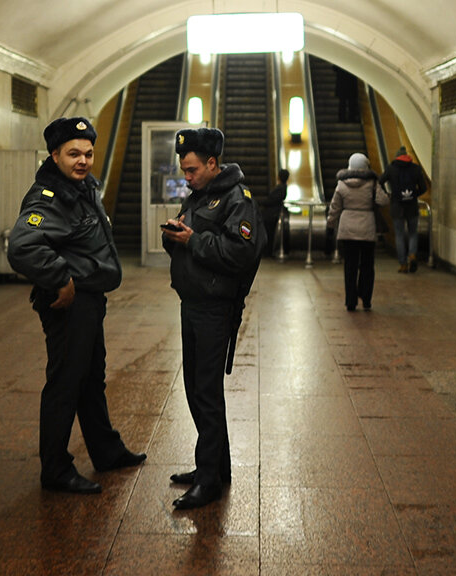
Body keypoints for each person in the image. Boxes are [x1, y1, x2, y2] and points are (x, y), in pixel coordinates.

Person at [7, 117, 146, 495]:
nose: (82, 160)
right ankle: (55, 468)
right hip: (69, 304)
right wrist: (61, 278)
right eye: (73, 154)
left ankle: (106, 450)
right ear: (54, 155)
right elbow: (22, 247)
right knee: (66, 383)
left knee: (90, 379)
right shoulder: (48, 197)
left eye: (87, 153)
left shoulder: (82, 188)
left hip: (88, 302)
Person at [161, 127, 265, 510]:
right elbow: (191, 235)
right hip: (192, 302)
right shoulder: (201, 195)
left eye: (191, 170)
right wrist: (175, 234)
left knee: (205, 392)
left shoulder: (238, 200)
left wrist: (193, 241)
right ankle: (215, 467)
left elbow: (241, 252)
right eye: (183, 171)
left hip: (214, 308)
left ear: (211, 163)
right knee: (195, 387)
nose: (186, 177)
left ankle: (208, 480)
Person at [326, 153, 388, 311]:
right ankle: (366, 298)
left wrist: (330, 224)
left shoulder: (342, 184)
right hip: (367, 227)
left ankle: (350, 301)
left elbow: (335, 207)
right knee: (367, 265)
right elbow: (383, 200)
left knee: (350, 266)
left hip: (347, 228)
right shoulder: (372, 183)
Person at [379, 146, 427, 273]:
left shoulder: (391, 168)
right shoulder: (416, 169)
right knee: (413, 233)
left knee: (399, 235)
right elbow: (423, 187)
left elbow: (379, 182)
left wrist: (388, 194)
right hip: (412, 205)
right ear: (407, 156)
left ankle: (403, 264)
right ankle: (412, 255)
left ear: (397, 157)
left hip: (397, 206)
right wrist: (413, 195)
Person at [260, 169, 289, 256]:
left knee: (269, 234)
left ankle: (267, 252)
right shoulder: (282, 187)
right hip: (272, 214)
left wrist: (264, 202)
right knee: (269, 234)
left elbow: (271, 201)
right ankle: (268, 251)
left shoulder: (280, 188)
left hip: (271, 215)